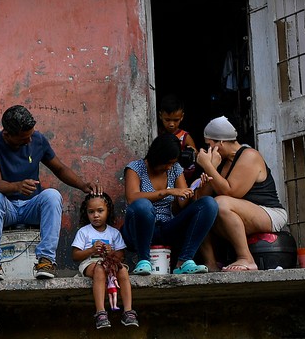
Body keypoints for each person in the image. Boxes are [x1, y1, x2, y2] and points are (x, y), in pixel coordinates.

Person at [0, 104, 101, 282]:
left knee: (52, 196)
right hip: (7, 209)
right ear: (7, 135)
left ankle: (46, 261)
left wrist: (82, 185)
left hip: (31, 208)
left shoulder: (37, 140)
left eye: (30, 136)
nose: (29, 141)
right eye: (23, 138)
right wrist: (16, 187)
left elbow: (59, 168)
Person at [194, 115, 288, 272]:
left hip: (268, 213)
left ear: (220, 143)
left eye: (209, 145)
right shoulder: (220, 161)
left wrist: (208, 166)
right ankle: (211, 263)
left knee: (221, 203)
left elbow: (231, 192)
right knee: (202, 209)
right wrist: (209, 170)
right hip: (239, 213)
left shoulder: (249, 155)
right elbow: (202, 200)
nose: (207, 150)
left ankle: (246, 258)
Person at [121, 134, 218, 275]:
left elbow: (182, 205)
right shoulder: (135, 168)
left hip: (167, 227)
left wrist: (195, 190)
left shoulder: (175, 168)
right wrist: (166, 192)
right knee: (143, 205)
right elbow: (132, 198)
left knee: (209, 204)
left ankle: (183, 261)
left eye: (172, 163)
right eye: (166, 163)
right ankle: (144, 261)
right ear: (156, 157)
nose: (169, 167)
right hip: (140, 231)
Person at [71, 192, 138, 329]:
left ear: (108, 211)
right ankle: (101, 312)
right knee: (100, 268)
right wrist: (91, 250)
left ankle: (128, 311)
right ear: (87, 213)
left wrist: (111, 252)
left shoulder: (114, 233)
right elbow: (75, 255)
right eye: (91, 212)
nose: (96, 215)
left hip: (110, 263)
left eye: (100, 211)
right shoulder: (84, 232)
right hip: (90, 263)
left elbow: (121, 255)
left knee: (123, 270)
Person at [157, 94, 198, 172]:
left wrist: (194, 152)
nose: (171, 124)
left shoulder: (185, 137)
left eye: (176, 120)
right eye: (167, 120)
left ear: (182, 117)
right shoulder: (156, 133)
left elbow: (196, 156)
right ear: (160, 116)